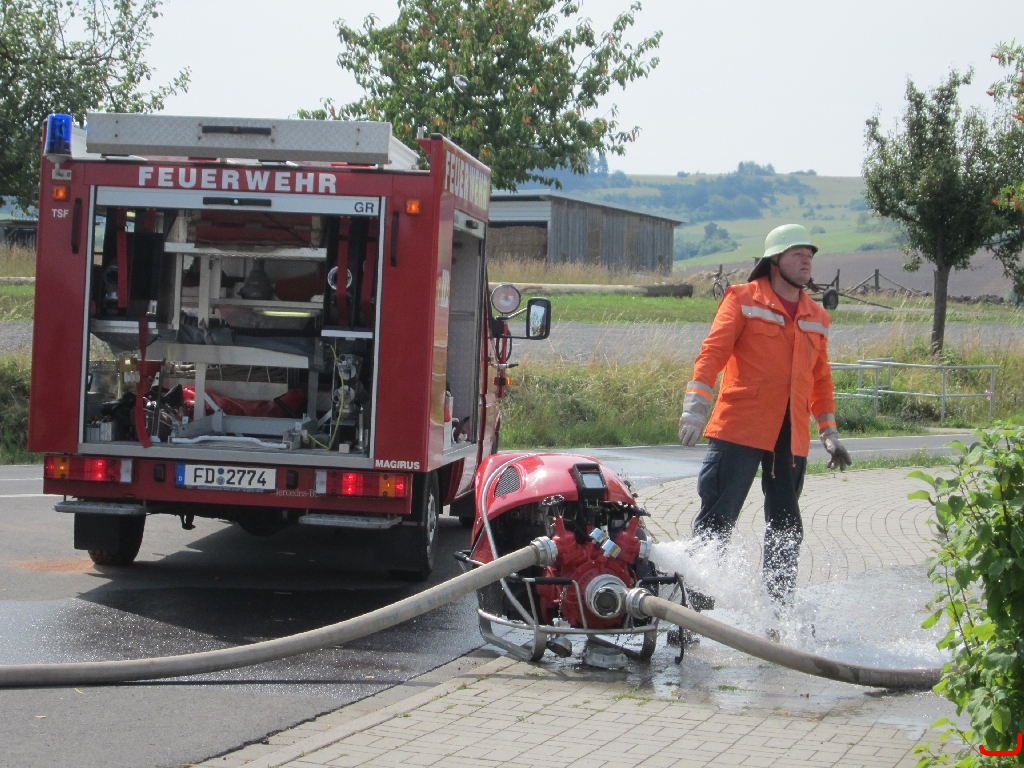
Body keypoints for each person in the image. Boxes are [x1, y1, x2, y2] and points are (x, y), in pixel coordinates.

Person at [678, 224, 852, 610]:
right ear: (775, 261)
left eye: (810, 255)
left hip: (791, 435)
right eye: (797, 254)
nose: (807, 261)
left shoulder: (817, 316)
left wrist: (829, 433)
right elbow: (712, 354)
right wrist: (695, 408)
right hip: (740, 427)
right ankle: (690, 621)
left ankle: (777, 616)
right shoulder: (742, 299)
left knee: (787, 529)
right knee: (717, 521)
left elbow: (821, 380)